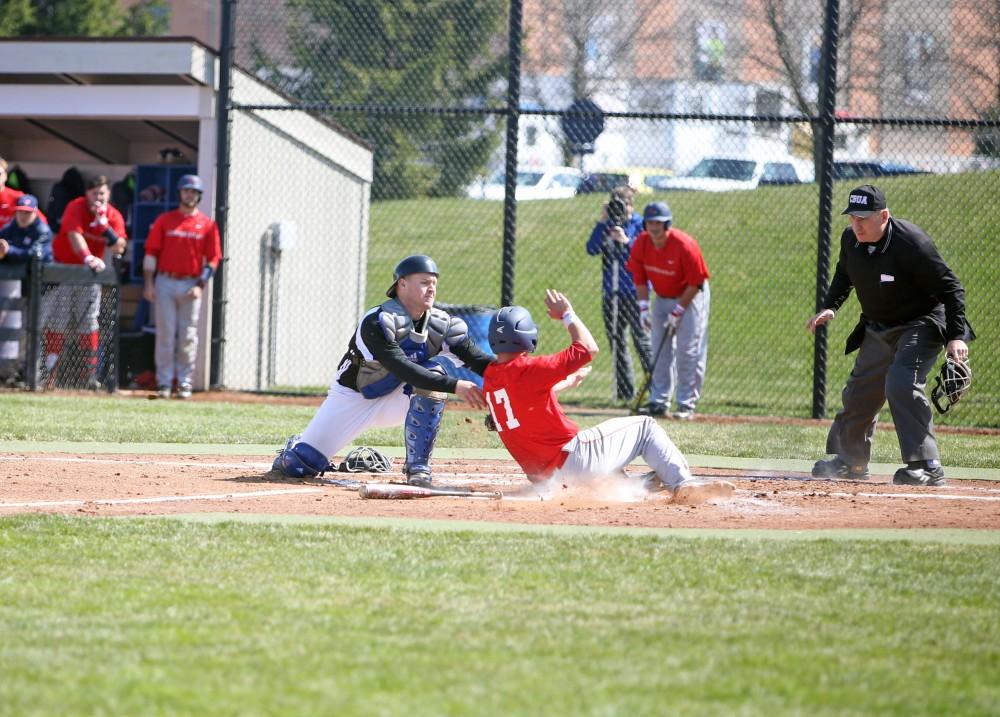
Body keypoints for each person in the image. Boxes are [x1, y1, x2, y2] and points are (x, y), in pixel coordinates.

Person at [481, 289, 733, 502]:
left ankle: (640, 486)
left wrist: (566, 383)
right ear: (527, 336)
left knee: (607, 456)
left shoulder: (491, 379)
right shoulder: (530, 368)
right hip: (576, 459)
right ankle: (681, 483)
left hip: (547, 480)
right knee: (645, 426)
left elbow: (521, 398)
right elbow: (588, 348)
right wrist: (567, 314)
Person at [272, 255, 491, 486]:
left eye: (434, 283)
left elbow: (478, 361)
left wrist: (515, 370)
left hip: (400, 398)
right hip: (354, 397)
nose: (431, 289)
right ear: (402, 283)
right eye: (424, 282)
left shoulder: (442, 325)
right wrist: (456, 385)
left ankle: (418, 468)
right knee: (300, 465)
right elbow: (402, 367)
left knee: (433, 371)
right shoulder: (378, 321)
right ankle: (295, 446)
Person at [807, 185, 974, 486]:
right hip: (879, 325)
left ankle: (927, 465)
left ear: (883, 215)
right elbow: (845, 274)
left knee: (901, 382)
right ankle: (851, 461)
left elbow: (952, 289)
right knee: (859, 393)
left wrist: (957, 335)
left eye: (863, 218)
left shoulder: (911, 243)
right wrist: (831, 306)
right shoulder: (851, 241)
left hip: (920, 323)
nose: (856, 225)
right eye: (852, 218)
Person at [627, 201, 711, 419]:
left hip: (691, 296)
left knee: (688, 350)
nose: (654, 227)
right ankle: (659, 401)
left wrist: (679, 311)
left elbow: (696, 282)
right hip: (662, 298)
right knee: (659, 349)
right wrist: (643, 308)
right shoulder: (642, 243)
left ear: (667, 224)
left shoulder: (685, 245)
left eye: (659, 223)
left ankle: (686, 404)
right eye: (650, 222)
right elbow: (640, 278)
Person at [142, 174, 222, 399]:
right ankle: (165, 383)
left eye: (194, 192)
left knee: (188, 335)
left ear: (199, 196)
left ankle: (185, 383)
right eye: (186, 191)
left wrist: (201, 285)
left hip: (191, 283)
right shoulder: (165, 220)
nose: (190, 195)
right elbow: (151, 253)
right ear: (180, 193)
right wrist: (149, 284)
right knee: (165, 335)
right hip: (165, 281)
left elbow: (214, 258)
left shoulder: (207, 225)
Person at [45, 175, 127, 389]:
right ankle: (49, 374)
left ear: (108, 194)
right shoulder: (76, 206)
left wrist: (104, 227)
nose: (98, 198)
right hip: (65, 270)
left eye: (102, 193)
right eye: (94, 193)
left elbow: (119, 247)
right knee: (58, 322)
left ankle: (88, 377)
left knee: (88, 323)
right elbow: (74, 236)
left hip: (90, 276)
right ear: (87, 194)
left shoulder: (112, 215)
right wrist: (87, 257)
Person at [585, 185, 652, 401]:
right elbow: (592, 249)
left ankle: (656, 390)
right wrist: (602, 222)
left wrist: (627, 241)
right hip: (611, 292)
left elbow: (647, 253)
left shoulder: (640, 224)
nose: (620, 210)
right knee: (617, 341)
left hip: (634, 291)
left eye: (623, 205)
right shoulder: (607, 226)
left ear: (631, 205)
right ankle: (625, 392)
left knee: (641, 340)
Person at [0, 195, 52, 382]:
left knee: (33, 329)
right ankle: (11, 372)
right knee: (14, 330)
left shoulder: (42, 230)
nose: (23, 216)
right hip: (15, 288)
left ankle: (32, 373)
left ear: (35, 213)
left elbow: (34, 255)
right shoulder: (9, 229)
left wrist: (10, 251)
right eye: (20, 212)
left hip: (42, 290)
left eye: (27, 213)